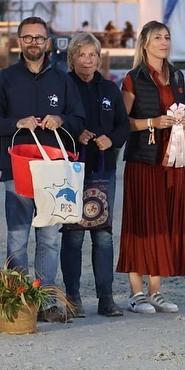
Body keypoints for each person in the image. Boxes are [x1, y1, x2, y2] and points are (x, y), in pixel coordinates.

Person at [0, 15, 86, 323]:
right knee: (17, 238)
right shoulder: (4, 80)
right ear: (19, 41)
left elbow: (79, 119)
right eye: (28, 38)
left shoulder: (63, 80)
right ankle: (18, 299)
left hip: (54, 172)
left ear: (48, 42)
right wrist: (16, 122)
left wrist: (62, 120)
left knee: (50, 238)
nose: (34, 43)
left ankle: (48, 300)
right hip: (17, 172)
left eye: (39, 38)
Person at [118, 20, 185, 314]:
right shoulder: (132, 79)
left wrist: (182, 124)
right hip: (143, 160)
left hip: (172, 160)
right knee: (140, 222)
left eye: (167, 37)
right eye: (158, 37)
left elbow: (180, 112)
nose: (164, 42)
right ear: (145, 43)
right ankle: (136, 293)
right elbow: (122, 123)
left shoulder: (176, 76)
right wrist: (152, 122)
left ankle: (156, 291)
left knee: (165, 222)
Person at [62, 32, 130, 318]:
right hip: (72, 169)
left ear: (99, 58)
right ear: (72, 58)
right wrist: (76, 132)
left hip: (104, 171)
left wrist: (110, 139)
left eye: (93, 55)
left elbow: (123, 126)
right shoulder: (64, 86)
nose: (88, 60)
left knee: (103, 235)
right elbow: (56, 122)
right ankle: (73, 297)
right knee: (73, 236)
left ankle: (106, 298)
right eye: (82, 55)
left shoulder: (111, 89)